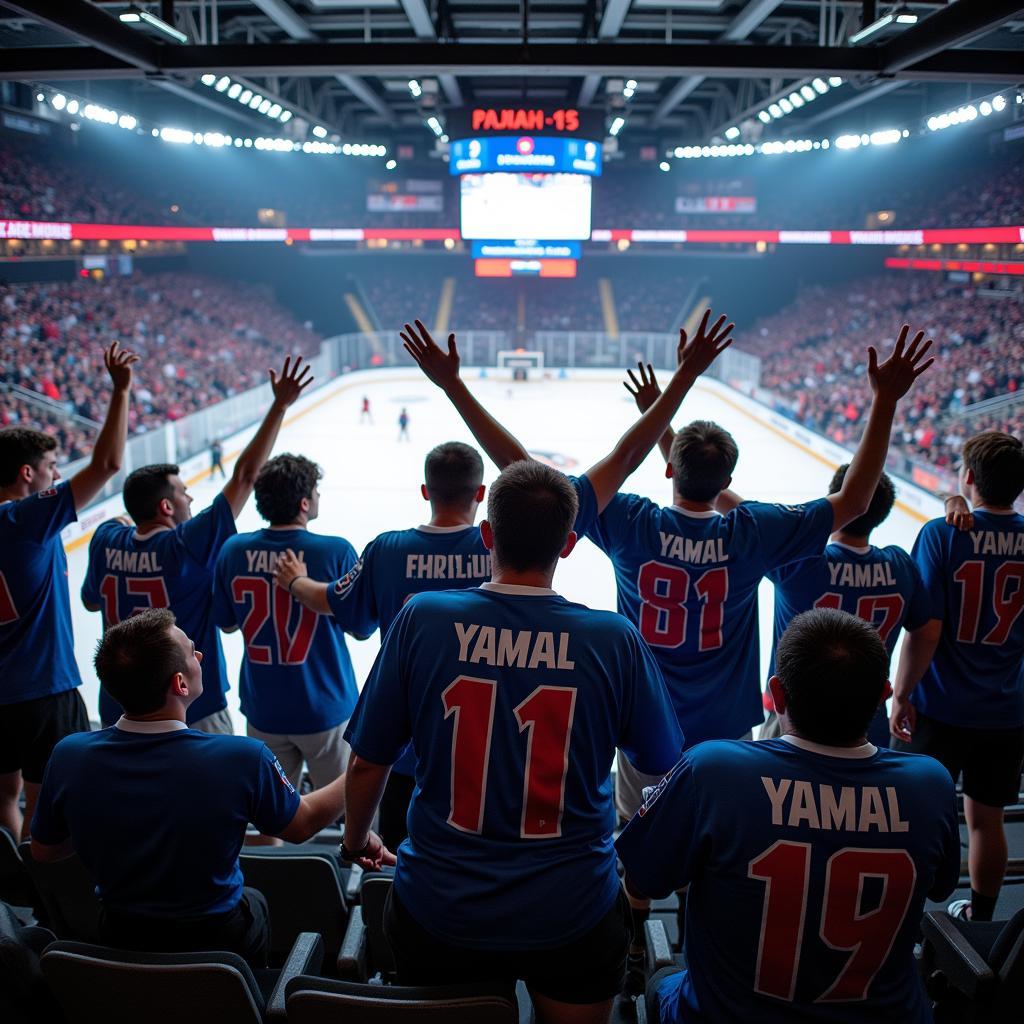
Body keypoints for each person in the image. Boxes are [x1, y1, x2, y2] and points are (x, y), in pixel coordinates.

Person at [342, 460, 684, 1024]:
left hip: (440, 905)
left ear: (486, 535)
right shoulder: (614, 639)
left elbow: (366, 762)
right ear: (570, 545)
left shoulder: (422, 619)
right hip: (573, 908)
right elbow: (661, 771)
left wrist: (357, 839)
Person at [617, 608, 961, 1024]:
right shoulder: (930, 784)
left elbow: (642, 877)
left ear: (776, 694)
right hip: (888, 1014)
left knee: (665, 977)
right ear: (883, 694)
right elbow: (942, 888)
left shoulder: (713, 770)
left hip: (725, 1015)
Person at [29, 609, 346, 968]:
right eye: (192, 650)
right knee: (254, 901)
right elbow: (301, 825)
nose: (200, 655)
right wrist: (360, 771)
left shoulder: (69, 756)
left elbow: (44, 852)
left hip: (120, 935)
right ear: (180, 684)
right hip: (217, 941)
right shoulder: (240, 758)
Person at [274, 440, 492, 848]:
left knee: (400, 860)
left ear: (425, 491)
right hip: (485, 740)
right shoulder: (497, 549)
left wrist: (294, 582)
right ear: (480, 493)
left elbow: (338, 605)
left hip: (407, 743)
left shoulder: (387, 549)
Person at [81, 356, 314, 731]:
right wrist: (279, 405)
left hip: (118, 703)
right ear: (166, 506)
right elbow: (245, 476)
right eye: (185, 494)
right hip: (189, 705)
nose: (192, 500)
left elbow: (91, 600)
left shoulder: (106, 537)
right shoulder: (185, 546)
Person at [0, 341, 138, 840]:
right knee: (49, 812)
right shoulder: (23, 519)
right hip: (42, 690)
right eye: (53, 469)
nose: (57, 477)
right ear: (27, 474)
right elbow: (106, 465)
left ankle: (13, 892)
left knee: (5, 800)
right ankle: (47, 902)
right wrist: (120, 391)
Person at [891, 430, 1024, 923]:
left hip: (939, 705)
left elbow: (926, 631)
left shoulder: (943, 534)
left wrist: (902, 693)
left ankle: (900, 917)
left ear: (968, 477)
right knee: (987, 820)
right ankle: (983, 922)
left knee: (913, 816)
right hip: (1005, 710)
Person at [212, 453, 359, 793]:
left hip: (264, 708)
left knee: (273, 816)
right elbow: (360, 628)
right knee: (348, 815)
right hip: (326, 708)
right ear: (304, 502)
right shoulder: (335, 551)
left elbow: (228, 624)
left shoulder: (233, 550)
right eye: (316, 491)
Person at [760, 467, 936, 747]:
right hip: (866, 716)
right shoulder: (900, 566)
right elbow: (927, 633)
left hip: (794, 716)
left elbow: (747, 522)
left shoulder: (800, 562)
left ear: (835, 500)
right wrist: (902, 695)